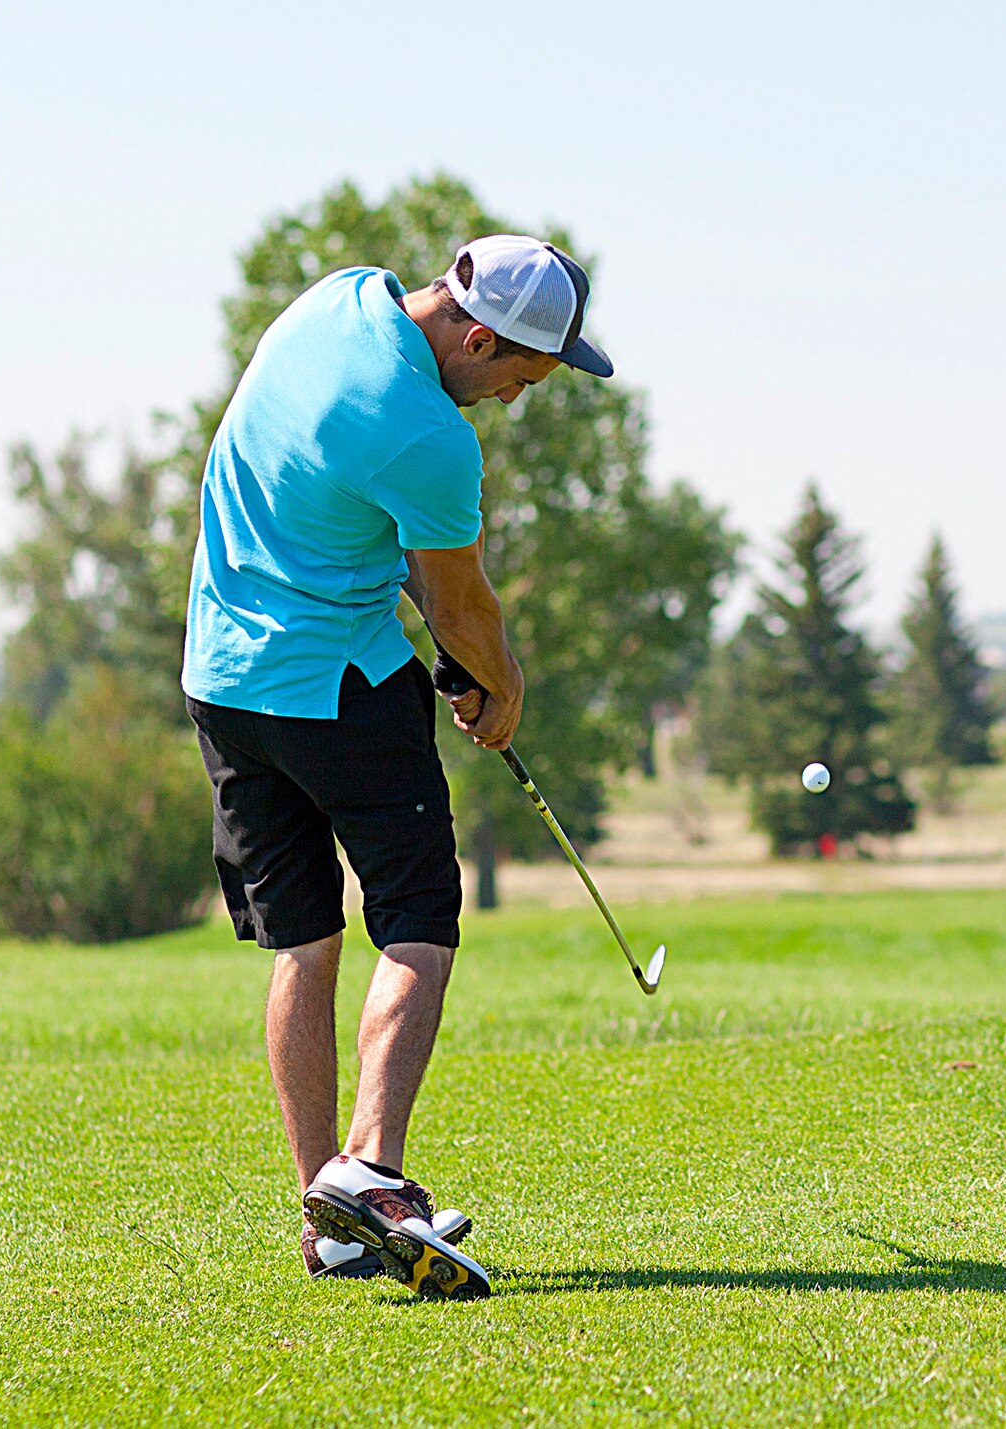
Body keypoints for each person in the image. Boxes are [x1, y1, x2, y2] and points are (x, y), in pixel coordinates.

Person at [181, 235, 614, 1300]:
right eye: (520, 377)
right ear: (477, 337)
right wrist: (497, 693)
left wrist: (458, 657)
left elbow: (353, 519)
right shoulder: (431, 435)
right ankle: (371, 1170)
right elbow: (461, 606)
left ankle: (325, 1217)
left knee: (304, 937)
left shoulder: (336, 302)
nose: (513, 400)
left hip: (220, 677)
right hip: (335, 682)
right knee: (417, 911)